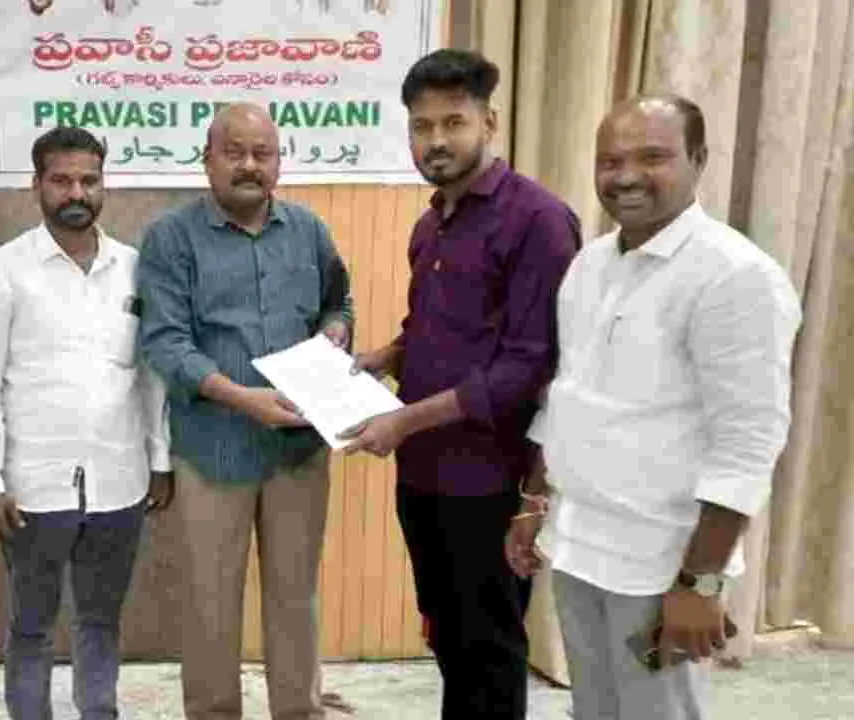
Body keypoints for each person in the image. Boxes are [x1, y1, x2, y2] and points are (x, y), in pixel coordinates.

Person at [505, 95, 802, 719]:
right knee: (596, 709)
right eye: (610, 161)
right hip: (580, 545)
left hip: (663, 563)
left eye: (653, 157)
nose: (627, 176)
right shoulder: (591, 264)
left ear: (698, 160)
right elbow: (567, 394)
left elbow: (749, 443)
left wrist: (701, 582)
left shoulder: (735, 276)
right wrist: (534, 502)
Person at [339, 49, 579, 719]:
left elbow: (527, 365)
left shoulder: (538, 220)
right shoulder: (430, 224)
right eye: (422, 126)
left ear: (489, 123)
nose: (436, 140)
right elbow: (431, 329)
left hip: (489, 482)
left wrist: (403, 419)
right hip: (422, 476)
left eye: (454, 123)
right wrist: (383, 358)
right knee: (448, 638)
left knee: (490, 650)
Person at [138, 102, 353, 720]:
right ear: (206, 160)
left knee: (295, 597)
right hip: (213, 451)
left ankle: (299, 711)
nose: (249, 165)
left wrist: (336, 331)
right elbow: (165, 342)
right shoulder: (171, 238)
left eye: (263, 153)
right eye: (234, 152)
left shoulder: (309, 231)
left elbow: (339, 301)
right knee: (210, 603)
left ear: (280, 162)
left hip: (298, 450)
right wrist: (242, 398)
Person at [0, 126, 173, 720]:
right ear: (36, 185)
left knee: (101, 619)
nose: (76, 192)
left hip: (119, 481)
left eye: (89, 180)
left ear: (103, 185)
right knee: (31, 625)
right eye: (61, 180)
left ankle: (97, 711)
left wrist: (159, 460)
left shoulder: (135, 269)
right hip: (32, 486)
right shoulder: (2, 271)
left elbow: (151, 377)